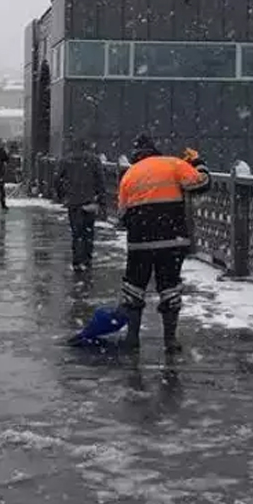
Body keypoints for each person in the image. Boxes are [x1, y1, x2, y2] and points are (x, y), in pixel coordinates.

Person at [117, 133, 210, 357]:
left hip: (139, 242)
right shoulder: (174, 164)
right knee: (169, 286)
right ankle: (170, 339)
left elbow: (121, 214)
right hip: (171, 239)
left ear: (135, 155)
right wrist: (197, 162)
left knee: (134, 287)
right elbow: (201, 183)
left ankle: (132, 338)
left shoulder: (129, 174)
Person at [54, 140, 106, 272]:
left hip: (73, 202)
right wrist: (101, 200)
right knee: (88, 231)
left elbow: (57, 179)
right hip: (90, 201)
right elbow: (101, 181)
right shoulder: (94, 160)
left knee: (77, 233)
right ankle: (87, 260)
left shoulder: (66, 160)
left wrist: (62, 196)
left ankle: (77, 261)